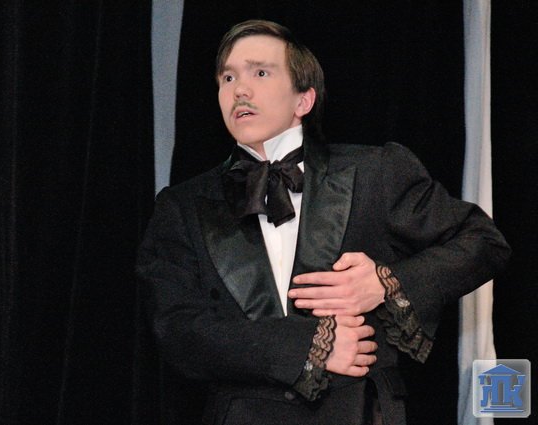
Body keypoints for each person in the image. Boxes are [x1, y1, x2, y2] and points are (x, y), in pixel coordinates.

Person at [136, 19, 510, 425]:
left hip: (359, 412)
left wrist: (385, 283)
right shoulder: (183, 205)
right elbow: (176, 331)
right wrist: (305, 347)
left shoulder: (375, 171)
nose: (239, 89)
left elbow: (483, 241)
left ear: (304, 100)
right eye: (228, 77)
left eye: (260, 73)